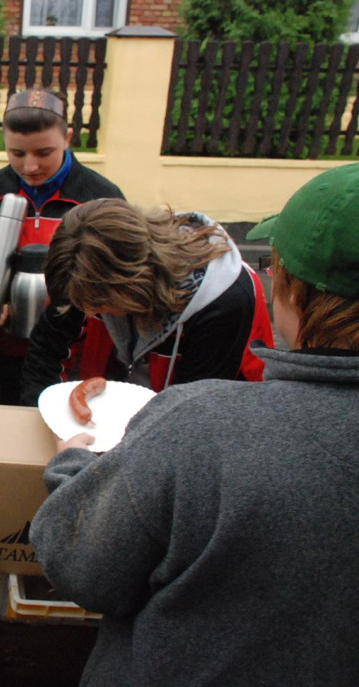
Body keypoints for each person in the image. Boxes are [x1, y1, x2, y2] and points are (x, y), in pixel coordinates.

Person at [29, 163, 359, 686]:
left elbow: (83, 567)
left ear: (292, 292)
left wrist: (70, 466)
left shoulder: (199, 420)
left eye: (276, 270)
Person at [0, 88, 124, 405]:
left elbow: (118, 286)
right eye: (17, 154)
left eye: (44, 153)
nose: (30, 166)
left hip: (72, 358)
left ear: (68, 137)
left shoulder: (101, 200)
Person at [18, 198, 272, 404]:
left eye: (98, 304)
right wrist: (46, 414)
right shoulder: (81, 265)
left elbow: (196, 412)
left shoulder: (224, 301)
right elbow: (46, 350)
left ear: (133, 282)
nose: (88, 311)